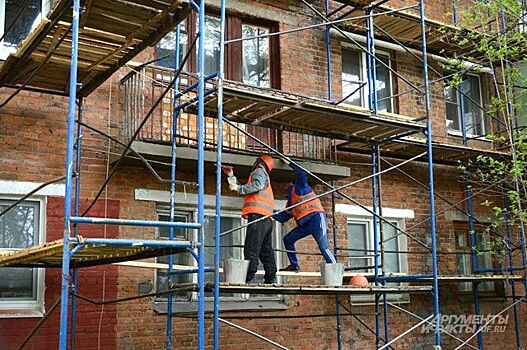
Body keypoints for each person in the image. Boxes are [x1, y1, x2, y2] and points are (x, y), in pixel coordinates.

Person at [224, 155, 277, 284]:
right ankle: (270, 277)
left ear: (260, 162)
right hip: (266, 219)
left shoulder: (258, 171)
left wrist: (239, 188)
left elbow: (256, 185)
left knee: (251, 248)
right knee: (266, 250)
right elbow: (243, 188)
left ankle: (247, 277)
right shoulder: (264, 175)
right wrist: (231, 176)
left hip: (258, 217)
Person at [274, 162, 336, 271]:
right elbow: (282, 218)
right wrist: (268, 212)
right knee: (288, 239)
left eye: (285, 184)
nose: (284, 186)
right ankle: (294, 265)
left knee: (323, 247)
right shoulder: (291, 203)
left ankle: (335, 270)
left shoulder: (299, 186)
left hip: (316, 219)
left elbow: (302, 173)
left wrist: (290, 162)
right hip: (306, 225)